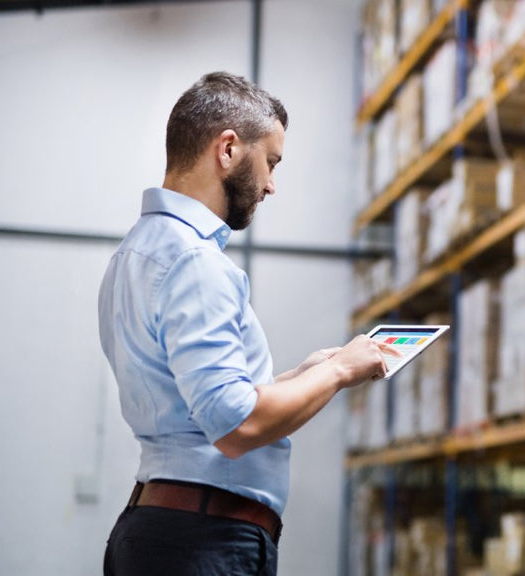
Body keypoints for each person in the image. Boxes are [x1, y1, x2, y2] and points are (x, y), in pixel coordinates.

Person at [98, 71, 394, 576]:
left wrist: (299, 378)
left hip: (164, 530)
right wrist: (341, 370)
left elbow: (195, 406)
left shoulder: (136, 253)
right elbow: (235, 425)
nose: (271, 186)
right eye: (271, 163)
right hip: (202, 541)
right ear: (229, 149)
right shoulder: (195, 262)